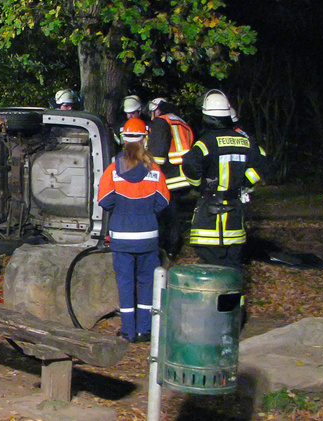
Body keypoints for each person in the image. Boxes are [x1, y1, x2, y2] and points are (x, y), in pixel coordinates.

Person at [98, 118, 170, 343]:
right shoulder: (155, 170)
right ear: (144, 139)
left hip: (122, 237)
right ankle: (145, 330)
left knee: (126, 283)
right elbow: (163, 202)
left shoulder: (112, 170)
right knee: (147, 282)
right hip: (148, 236)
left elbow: (104, 200)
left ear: (123, 139)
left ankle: (128, 332)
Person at [182, 90, 263, 269]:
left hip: (209, 219)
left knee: (213, 269)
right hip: (234, 215)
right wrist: (245, 182)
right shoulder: (245, 140)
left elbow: (189, 164)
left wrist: (200, 185)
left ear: (206, 116)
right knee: (233, 269)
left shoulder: (206, 142)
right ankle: (233, 297)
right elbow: (261, 162)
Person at [146, 97, 194, 259]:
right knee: (173, 215)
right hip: (183, 176)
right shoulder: (182, 122)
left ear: (157, 109)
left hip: (168, 177)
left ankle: (166, 248)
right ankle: (173, 248)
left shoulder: (161, 122)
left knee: (164, 216)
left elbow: (158, 155)